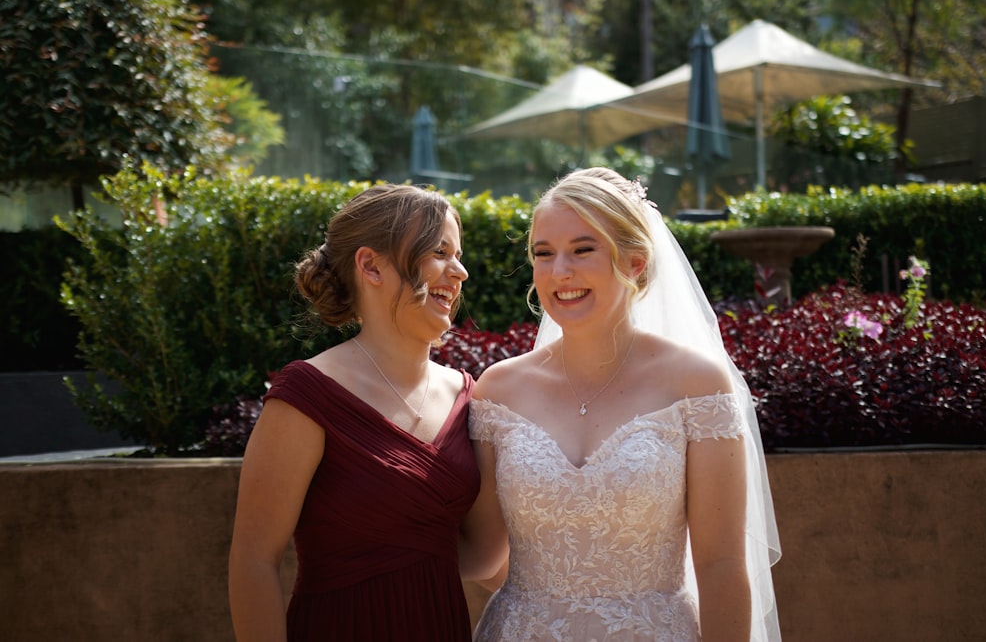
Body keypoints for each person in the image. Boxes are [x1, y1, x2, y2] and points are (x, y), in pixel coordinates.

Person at [461, 168, 781, 641]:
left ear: (634, 262)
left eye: (582, 250)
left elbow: (721, 563)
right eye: (543, 254)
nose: (559, 272)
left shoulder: (696, 385)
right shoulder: (499, 390)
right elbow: (484, 555)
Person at [229, 183, 479, 641]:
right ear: (371, 265)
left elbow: (484, 553)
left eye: (458, 254)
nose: (459, 271)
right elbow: (254, 561)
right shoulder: (307, 395)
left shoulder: (469, 396)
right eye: (440, 252)